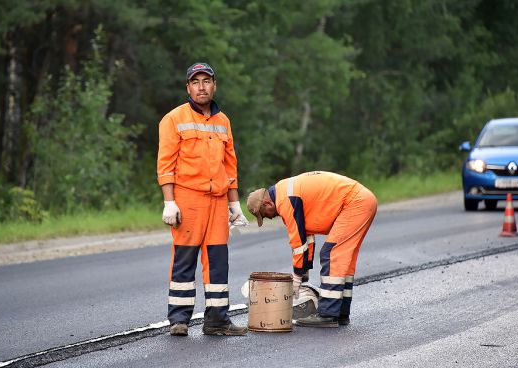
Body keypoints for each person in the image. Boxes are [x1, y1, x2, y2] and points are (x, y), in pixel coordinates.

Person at [157, 62, 249, 336]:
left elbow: (230, 167)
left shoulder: (223, 122)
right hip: (188, 200)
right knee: (185, 260)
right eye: (195, 82)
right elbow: (165, 165)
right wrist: (169, 202)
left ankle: (217, 321)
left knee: (218, 261)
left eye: (206, 81)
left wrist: (234, 204)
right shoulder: (174, 119)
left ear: (214, 85)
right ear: (188, 87)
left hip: (218, 202)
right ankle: (179, 320)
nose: (201, 86)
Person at [246, 171, 377, 327]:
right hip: (361, 201)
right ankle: (340, 312)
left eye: (264, 214)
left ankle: (328, 314)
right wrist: (303, 273)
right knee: (344, 261)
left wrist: (295, 279)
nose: (267, 217)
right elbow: (306, 238)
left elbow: (298, 245)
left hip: (355, 203)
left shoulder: (286, 200)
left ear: (268, 203)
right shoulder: (285, 193)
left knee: (332, 254)